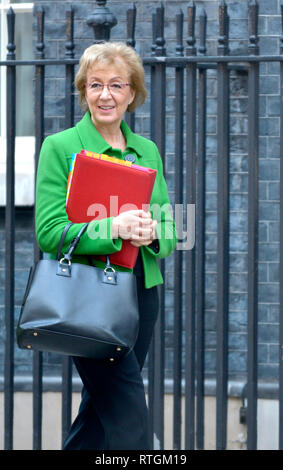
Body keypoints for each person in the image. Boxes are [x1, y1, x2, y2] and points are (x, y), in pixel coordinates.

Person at [35, 41, 177, 450]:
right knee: (130, 416)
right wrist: (114, 226)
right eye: (95, 85)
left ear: (132, 93)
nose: (105, 95)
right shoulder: (60, 148)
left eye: (117, 85)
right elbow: (49, 231)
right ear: (84, 91)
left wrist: (153, 234)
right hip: (88, 296)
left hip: (139, 294)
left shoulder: (145, 150)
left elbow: (168, 222)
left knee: (100, 413)